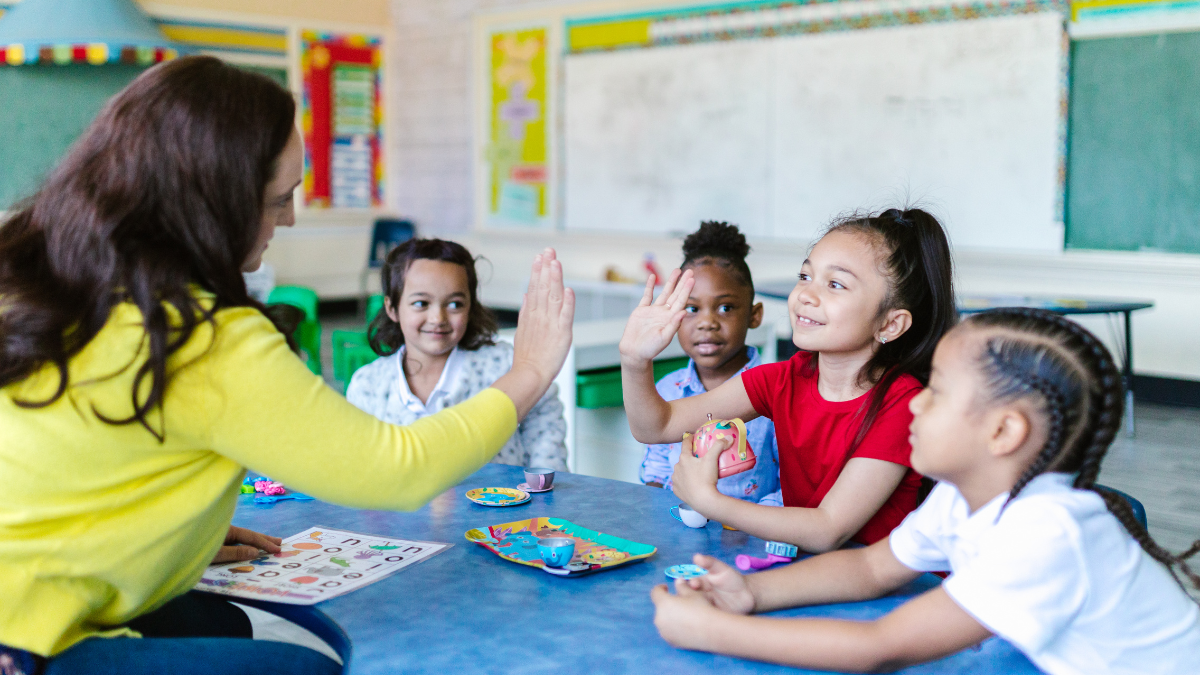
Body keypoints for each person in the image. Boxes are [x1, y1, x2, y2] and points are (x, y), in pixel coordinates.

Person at [0, 56, 574, 674]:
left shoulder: (55, 279)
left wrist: (171, 536)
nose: (291, 219)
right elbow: (398, 471)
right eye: (279, 199)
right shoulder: (199, 335)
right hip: (20, 638)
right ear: (212, 205)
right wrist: (532, 370)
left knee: (218, 620)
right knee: (308, 669)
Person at [650, 308, 1200, 674]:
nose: (914, 402)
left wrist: (713, 632)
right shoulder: (962, 499)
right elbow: (871, 569)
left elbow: (878, 648)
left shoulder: (1045, 531)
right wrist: (753, 595)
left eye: (937, 392)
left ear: (1003, 432)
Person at [621, 209, 957, 551]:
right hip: (806, 571)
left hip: (880, 593)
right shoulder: (783, 379)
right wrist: (635, 360)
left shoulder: (904, 404)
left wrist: (711, 502)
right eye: (805, 276)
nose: (806, 295)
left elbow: (828, 528)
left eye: (835, 284)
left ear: (889, 324)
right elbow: (657, 427)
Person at [347, 238, 568, 471]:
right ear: (392, 308)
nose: (438, 318)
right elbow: (359, 468)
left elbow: (545, 424)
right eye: (421, 303)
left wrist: (544, 490)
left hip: (503, 507)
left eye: (454, 305)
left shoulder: (507, 365)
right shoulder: (368, 385)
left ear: (471, 306)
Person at [639, 221, 780, 505]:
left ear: (755, 315)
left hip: (750, 537)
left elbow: (792, 488)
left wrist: (749, 526)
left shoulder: (777, 395)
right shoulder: (668, 389)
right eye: (691, 309)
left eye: (725, 307)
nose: (706, 323)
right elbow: (656, 470)